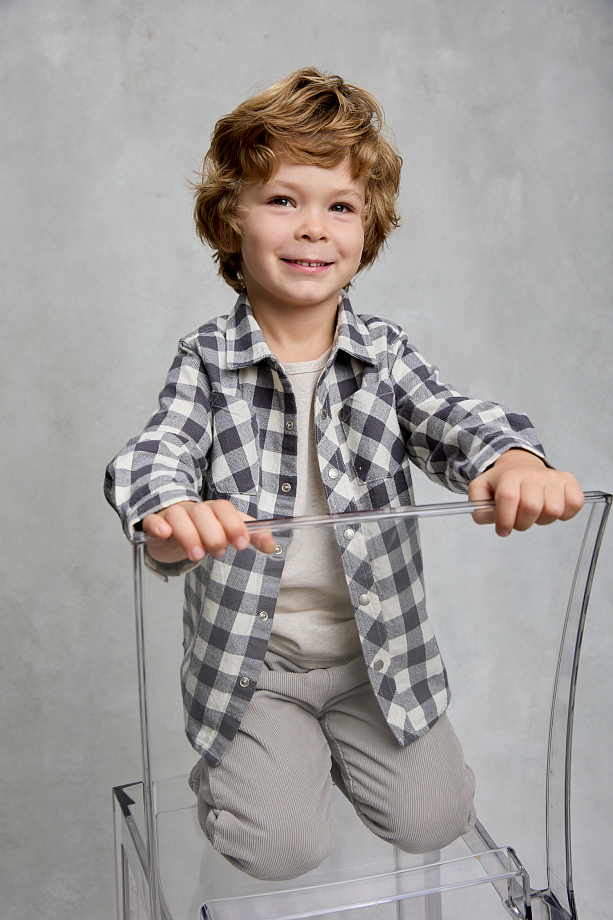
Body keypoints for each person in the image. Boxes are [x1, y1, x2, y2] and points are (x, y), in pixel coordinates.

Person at [104, 67, 584, 882]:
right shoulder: (207, 360)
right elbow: (157, 450)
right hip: (256, 669)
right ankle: (256, 768)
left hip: (376, 660)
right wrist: (172, 509)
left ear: (368, 228)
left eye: (340, 207)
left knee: (434, 820)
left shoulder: (385, 355)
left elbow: (453, 418)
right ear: (230, 219)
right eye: (281, 200)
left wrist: (512, 458)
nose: (312, 229)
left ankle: (331, 757)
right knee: (282, 849)